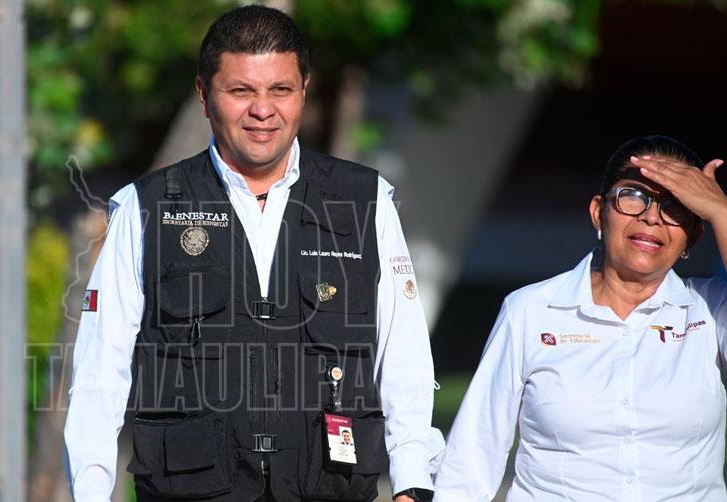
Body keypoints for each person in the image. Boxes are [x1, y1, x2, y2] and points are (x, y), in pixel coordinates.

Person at [64, 5, 441, 502]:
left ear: (304, 90)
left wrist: (411, 482)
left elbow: (404, 360)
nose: (263, 110)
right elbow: (99, 376)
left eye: (280, 90)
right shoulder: (146, 208)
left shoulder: (365, 201)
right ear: (204, 95)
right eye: (241, 91)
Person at [434, 135, 727, 501]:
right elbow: (473, 457)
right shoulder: (530, 310)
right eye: (633, 196)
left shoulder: (710, 309)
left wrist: (721, 212)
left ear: (694, 235)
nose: (652, 216)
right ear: (598, 212)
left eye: (675, 206)